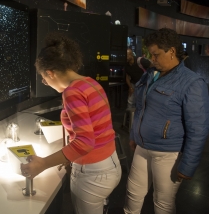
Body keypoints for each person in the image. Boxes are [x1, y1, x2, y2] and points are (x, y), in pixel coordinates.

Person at [20, 32, 122, 214]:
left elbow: (84, 142)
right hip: (110, 164)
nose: (45, 82)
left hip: (93, 173)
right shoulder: (90, 83)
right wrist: (68, 157)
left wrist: (42, 164)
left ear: (50, 73)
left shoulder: (72, 92)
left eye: (44, 78)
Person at [124, 28, 209, 214]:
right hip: (142, 147)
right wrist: (133, 135)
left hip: (168, 154)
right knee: (133, 194)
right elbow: (140, 108)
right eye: (150, 55)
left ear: (171, 51)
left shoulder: (192, 82)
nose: (152, 59)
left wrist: (188, 165)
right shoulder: (150, 74)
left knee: (163, 203)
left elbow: (198, 128)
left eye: (155, 55)